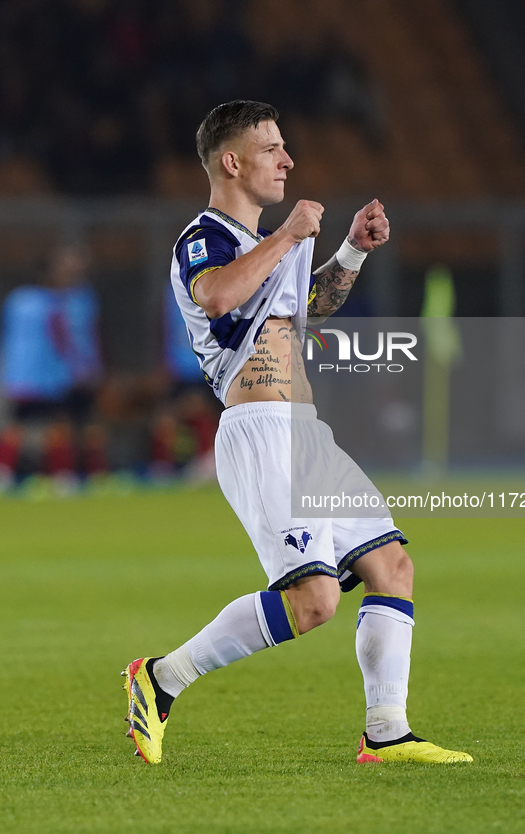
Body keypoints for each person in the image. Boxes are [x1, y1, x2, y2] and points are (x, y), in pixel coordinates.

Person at [122, 100, 472, 766]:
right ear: (232, 161)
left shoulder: (263, 248)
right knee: (312, 603)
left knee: (391, 566)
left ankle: (385, 731)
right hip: (260, 430)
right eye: (272, 148)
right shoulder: (206, 237)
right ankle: (160, 679)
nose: (287, 160)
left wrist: (349, 251)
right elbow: (217, 297)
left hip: (305, 432)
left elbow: (308, 305)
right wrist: (287, 236)